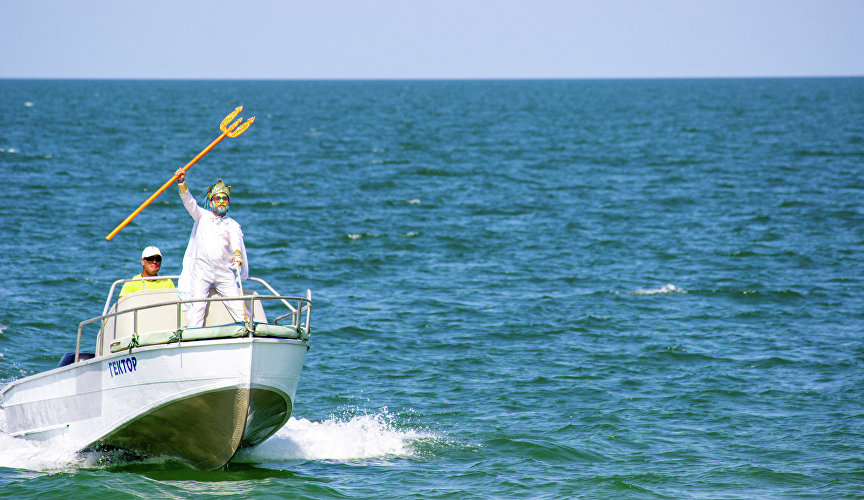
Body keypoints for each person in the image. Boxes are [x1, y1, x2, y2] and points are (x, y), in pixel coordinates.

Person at [175, 169, 249, 328]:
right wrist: (181, 182)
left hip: (224, 270)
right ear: (211, 202)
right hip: (202, 268)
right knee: (198, 306)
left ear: (228, 203)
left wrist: (237, 255)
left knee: (238, 305)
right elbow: (189, 202)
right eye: (218, 198)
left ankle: (247, 330)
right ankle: (193, 335)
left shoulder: (232, 225)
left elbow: (236, 242)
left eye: (225, 199)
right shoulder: (202, 216)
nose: (221, 201)